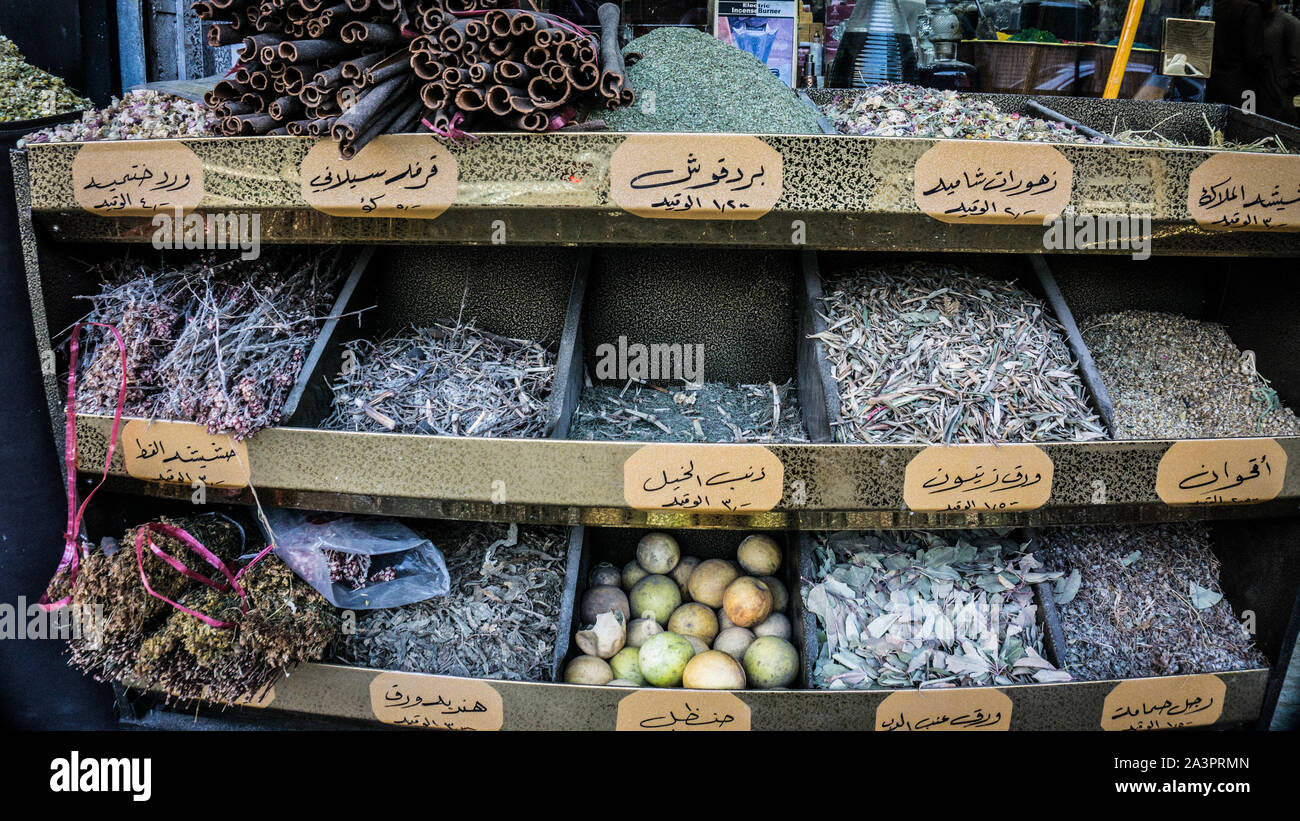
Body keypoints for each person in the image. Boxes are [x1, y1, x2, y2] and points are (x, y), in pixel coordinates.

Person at [1207, 0, 1267, 107]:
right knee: (1245, 121)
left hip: (1213, 82)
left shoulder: (1215, 7)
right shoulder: (1251, 10)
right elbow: (1253, 56)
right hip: (1243, 86)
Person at [1259, 0, 1300, 123]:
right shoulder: (1256, 20)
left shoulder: (1289, 23)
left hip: (1280, 100)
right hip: (1260, 96)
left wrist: (1282, 86)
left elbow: (1297, 64)